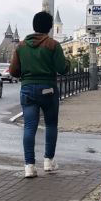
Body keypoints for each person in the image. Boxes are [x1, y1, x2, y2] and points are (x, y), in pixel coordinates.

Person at [12, 10, 70, 178]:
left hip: (28, 90)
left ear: (34, 26)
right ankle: (48, 162)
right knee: (51, 125)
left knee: (30, 126)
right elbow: (62, 68)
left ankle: (29, 166)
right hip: (48, 90)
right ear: (50, 28)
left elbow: (14, 71)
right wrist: (67, 63)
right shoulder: (53, 45)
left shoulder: (21, 46)